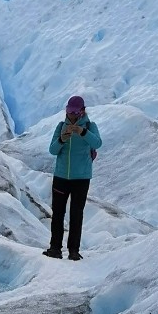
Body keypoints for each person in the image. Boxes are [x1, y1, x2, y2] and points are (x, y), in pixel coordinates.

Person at [45, 95, 101, 261]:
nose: (71, 114)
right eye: (68, 111)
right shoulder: (61, 127)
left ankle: (73, 251)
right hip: (61, 177)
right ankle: (55, 248)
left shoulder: (91, 127)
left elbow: (97, 143)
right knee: (58, 214)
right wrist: (63, 138)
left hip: (81, 178)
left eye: (74, 111)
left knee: (76, 214)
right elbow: (53, 150)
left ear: (82, 111)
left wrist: (83, 132)